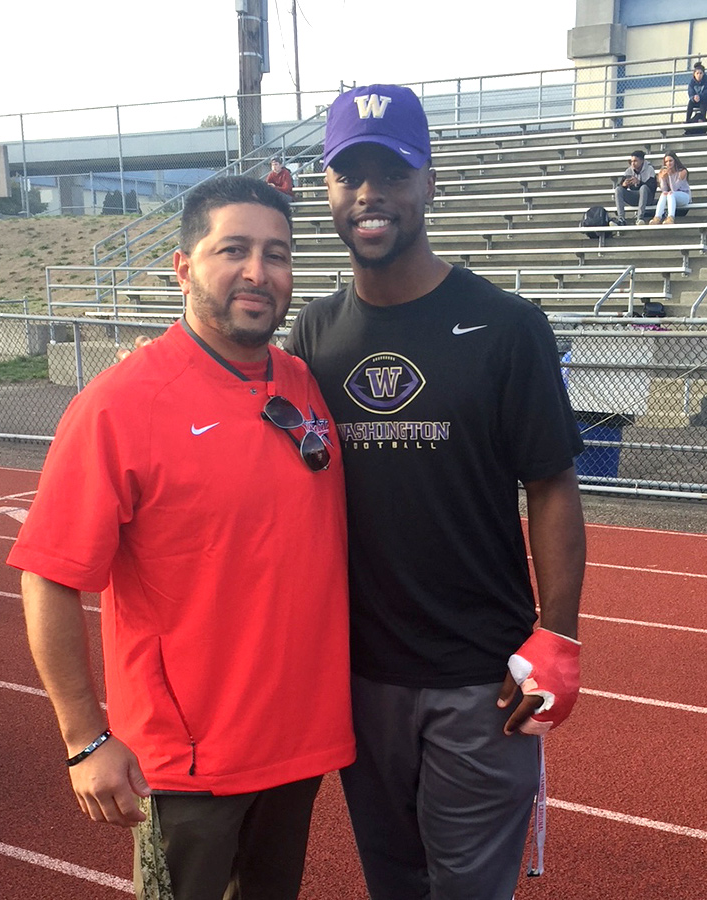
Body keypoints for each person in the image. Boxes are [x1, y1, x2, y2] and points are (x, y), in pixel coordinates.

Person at [7, 176, 355, 900]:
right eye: (234, 250)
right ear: (183, 266)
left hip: (297, 748)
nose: (258, 271)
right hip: (189, 767)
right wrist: (84, 739)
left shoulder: (304, 383)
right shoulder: (119, 405)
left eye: (277, 253)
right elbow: (49, 574)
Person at [285, 84, 586, 900]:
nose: (370, 193)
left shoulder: (508, 325)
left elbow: (551, 482)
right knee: (393, 884)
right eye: (350, 175)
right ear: (327, 190)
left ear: (429, 183)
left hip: (481, 682)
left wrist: (558, 635)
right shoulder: (314, 333)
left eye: (393, 172)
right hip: (359, 680)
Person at [611, 149, 657, 226]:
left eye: (635, 161)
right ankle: (621, 218)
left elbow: (652, 187)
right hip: (634, 197)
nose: (633, 163)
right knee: (618, 189)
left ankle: (640, 218)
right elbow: (621, 185)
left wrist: (639, 183)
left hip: (647, 198)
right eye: (631, 161)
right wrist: (624, 185)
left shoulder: (650, 169)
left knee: (643, 188)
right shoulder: (629, 170)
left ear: (642, 161)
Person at [650, 150, 691, 225]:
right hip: (671, 197)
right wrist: (662, 178)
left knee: (670, 193)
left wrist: (669, 175)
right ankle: (657, 217)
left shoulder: (682, 172)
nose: (668, 163)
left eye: (670, 161)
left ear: (675, 161)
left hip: (684, 196)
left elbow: (674, 188)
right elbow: (664, 190)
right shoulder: (664, 172)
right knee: (664, 194)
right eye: (666, 162)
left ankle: (671, 217)